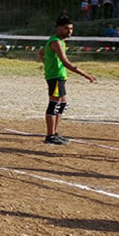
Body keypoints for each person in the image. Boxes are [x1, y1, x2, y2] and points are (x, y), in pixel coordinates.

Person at [39, 15, 96, 145]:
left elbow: (41, 53)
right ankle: (50, 135)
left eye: (71, 29)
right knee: (54, 104)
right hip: (56, 78)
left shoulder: (58, 42)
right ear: (58, 28)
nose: (69, 31)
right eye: (66, 28)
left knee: (62, 104)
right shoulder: (56, 42)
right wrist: (85, 74)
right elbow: (66, 62)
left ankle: (54, 132)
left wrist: (47, 64)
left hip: (59, 77)